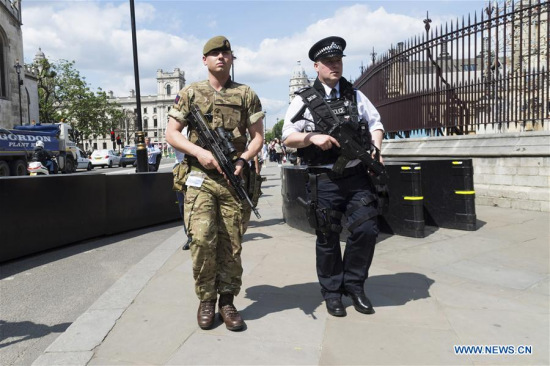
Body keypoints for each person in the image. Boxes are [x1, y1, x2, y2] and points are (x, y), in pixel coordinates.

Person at [165, 35, 264, 331]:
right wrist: (200, 153)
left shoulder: (246, 93)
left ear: (232, 58)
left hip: (233, 178)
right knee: (202, 239)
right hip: (199, 177)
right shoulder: (191, 93)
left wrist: (242, 159)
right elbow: (172, 133)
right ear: (204, 59)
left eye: (225, 53)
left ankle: (227, 300)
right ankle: (206, 299)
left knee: (231, 244)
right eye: (214, 53)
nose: (221, 57)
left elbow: (258, 136)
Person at [282, 36, 384, 317]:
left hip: (356, 175)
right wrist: (312, 137)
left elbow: (376, 123)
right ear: (317, 66)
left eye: (338, 61)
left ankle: (354, 285)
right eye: (328, 62)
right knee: (327, 236)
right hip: (324, 179)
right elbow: (287, 137)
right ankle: (331, 292)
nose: (334, 66)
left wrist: (376, 149)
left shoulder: (355, 94)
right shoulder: (303, 100)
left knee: (366, 229)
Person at [173, 127, 192, 251]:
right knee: (182, 205)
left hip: (197, 167)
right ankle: (190, 236)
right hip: (180, 167)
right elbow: (173, 142)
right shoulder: (175, 127)